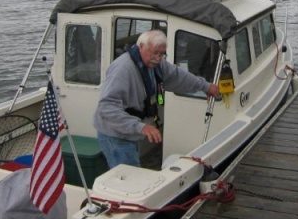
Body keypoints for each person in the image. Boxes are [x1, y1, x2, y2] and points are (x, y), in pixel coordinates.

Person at [93, 29, 220, 168]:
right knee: (128, 178)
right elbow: (106, 107)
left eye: (162, 54)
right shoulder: (122, 69)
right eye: (154, 53)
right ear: (141, 47)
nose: (158, 58)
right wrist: (141, 127)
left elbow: (177, 76)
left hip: (130, 132)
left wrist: (205, 86)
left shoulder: (156, 64)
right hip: (116, 135)